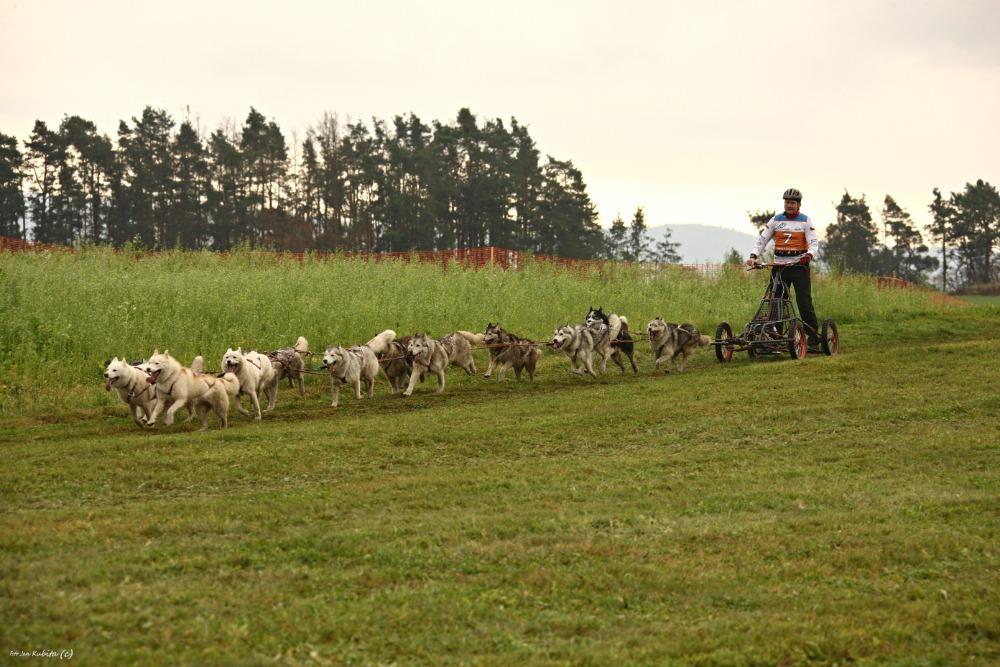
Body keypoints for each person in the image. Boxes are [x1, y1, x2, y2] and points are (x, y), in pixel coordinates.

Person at [746, 188, 821, 350]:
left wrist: (809, 255)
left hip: (799, 267)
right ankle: (776, 337)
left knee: (804, 302)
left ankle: (813, 337)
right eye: (787, 202)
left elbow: (814, 243)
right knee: (776, 303)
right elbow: (762, 239)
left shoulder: (805, 221)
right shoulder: (776, 220)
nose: (789, 205)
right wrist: (753, 256)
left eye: (793, 203)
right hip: (779, 268)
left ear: (799, 205)